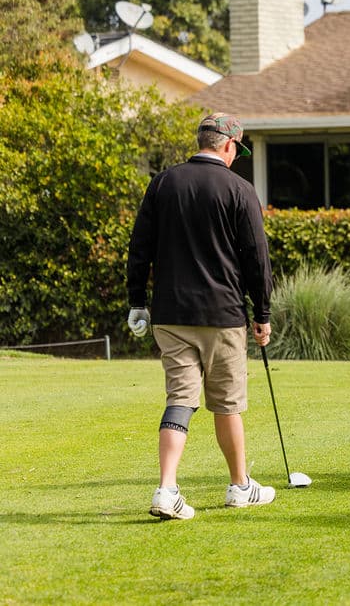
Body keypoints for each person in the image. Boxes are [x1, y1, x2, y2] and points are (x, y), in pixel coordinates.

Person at [126, 112, 276, 520]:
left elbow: (140, 246)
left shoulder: (163, 182)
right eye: (236, 150)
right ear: (227, 145)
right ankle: (240, 486)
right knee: (227, 405)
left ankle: (166, 488)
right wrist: (262, 313)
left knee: (179, 399)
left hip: (170, 314)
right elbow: (256, 259)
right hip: (223, 315)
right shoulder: (239, 189)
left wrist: (137, 301)